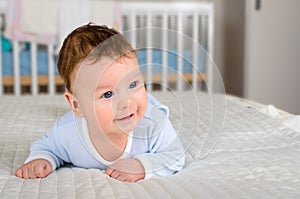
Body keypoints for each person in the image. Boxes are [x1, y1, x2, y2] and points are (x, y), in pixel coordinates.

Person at [15, 23, 185, 182]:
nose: (125, 103)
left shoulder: (152, 122)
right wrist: (41, 159)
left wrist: (141, 166)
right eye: (108, 94)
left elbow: (175, 155)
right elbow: (46, 147)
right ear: (76, 105)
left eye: (133, 84)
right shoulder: (67, 132)